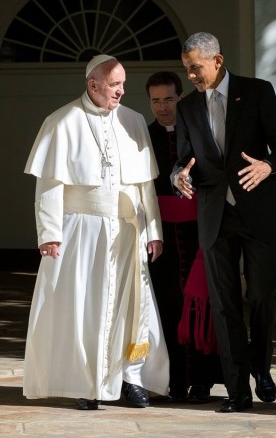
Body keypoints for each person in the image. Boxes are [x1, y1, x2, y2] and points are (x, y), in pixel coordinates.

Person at [23, 54, 169, 410]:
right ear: (93, 85)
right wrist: (50, 233)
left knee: (132, 307)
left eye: (123, 84)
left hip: (126, 230)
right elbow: (49, 184)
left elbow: (144, 186)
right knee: (84, 307)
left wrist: (153, 230)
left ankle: (131, 378)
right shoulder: (62, 121)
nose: (122, 91)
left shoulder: (133, 121)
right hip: (80, 231)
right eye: (115, 84)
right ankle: (85, 384)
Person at [171, 32, 276, 412]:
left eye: (195, 67)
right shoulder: (188, 107)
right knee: (224, 306)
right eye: (186, 68)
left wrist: (270, 165)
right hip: (215, 218)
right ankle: (238, 390)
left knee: (261, 295)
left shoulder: (257, 92)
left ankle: (261, 367)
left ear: (217, 61)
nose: (191, 75)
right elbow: (183, 158)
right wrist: (178, 175)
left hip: (258, 213)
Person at [146, 71, 222, 403]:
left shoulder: (198, 130)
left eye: (168, 99)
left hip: (197, 232)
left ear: (180, 97)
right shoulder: (142, 136)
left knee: (201, 304)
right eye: (155, 100)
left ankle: (203, 380)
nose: (162, 107)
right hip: (160, 235)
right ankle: (174, 380)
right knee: (168, 307)